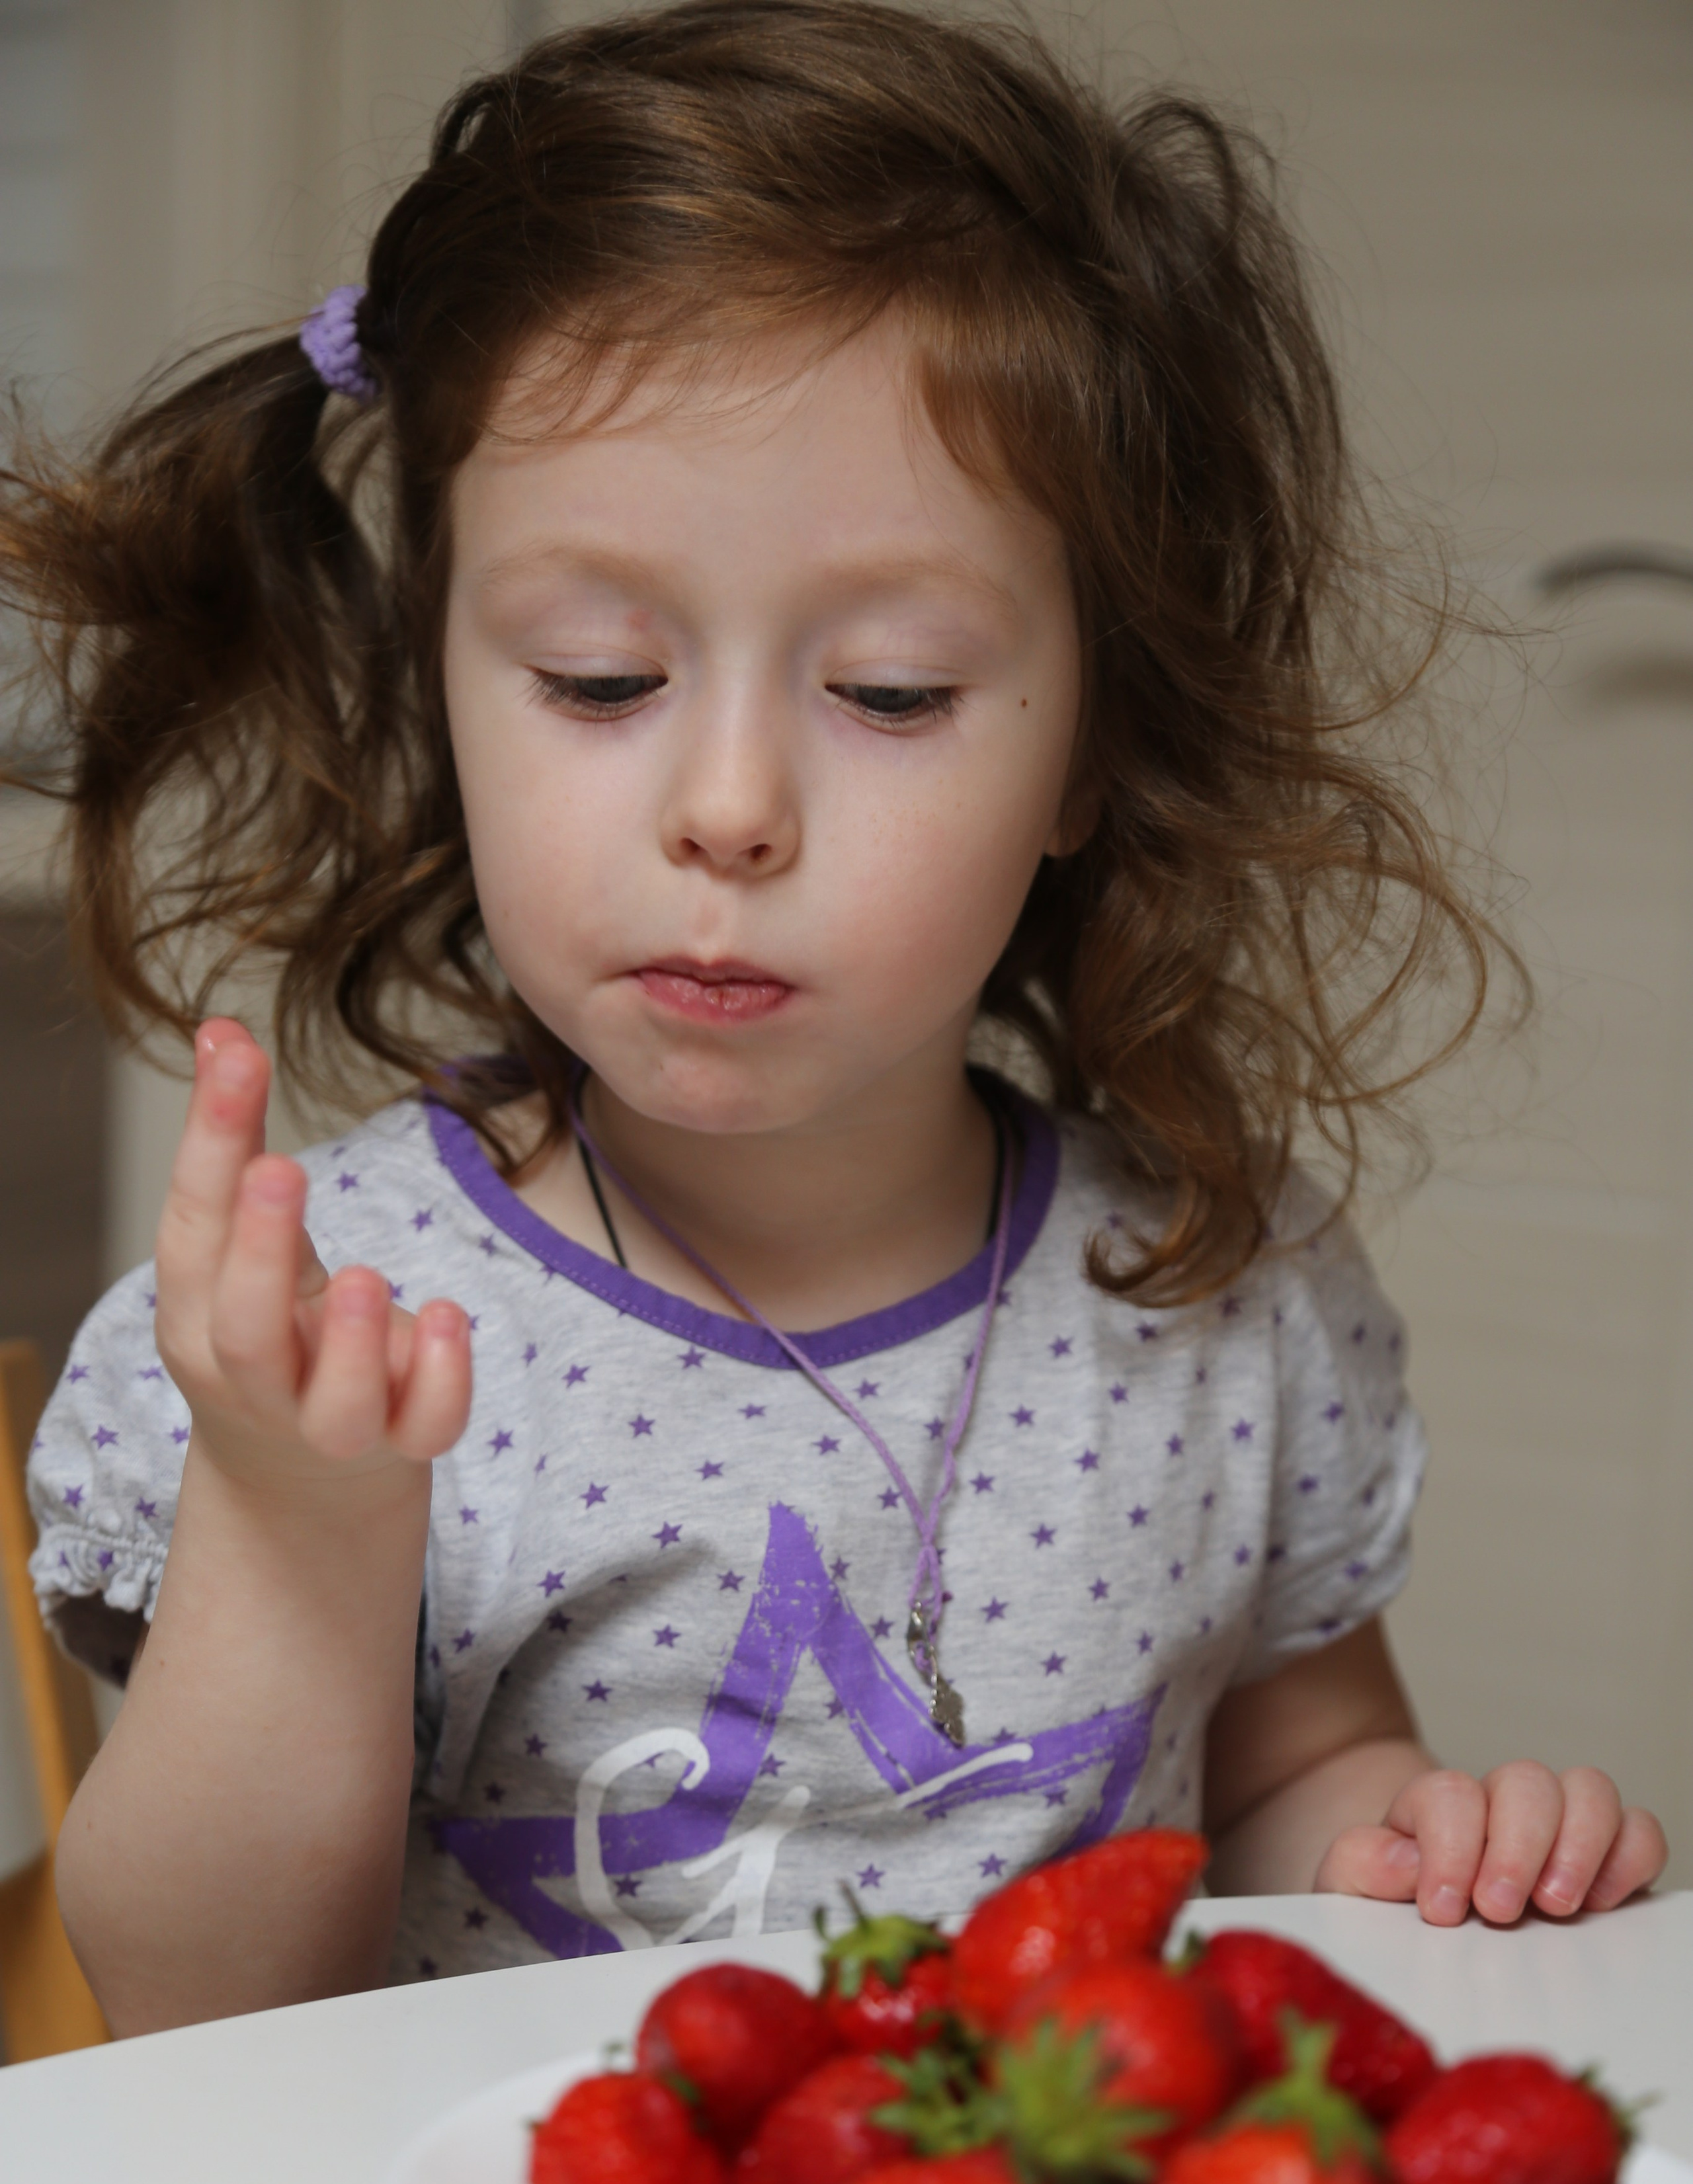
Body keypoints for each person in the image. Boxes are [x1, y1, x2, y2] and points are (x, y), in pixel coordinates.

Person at [7, 0, 1664, 2037]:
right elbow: (202, 2016)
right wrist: (301, 1523)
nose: (728, 809)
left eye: (889, 692)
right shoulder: (336, 1337)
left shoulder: (1220, 1301)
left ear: (1090, 753)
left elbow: (1296, 1775)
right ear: (446, 688)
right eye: (600, 678)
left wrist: (1419, 1849)